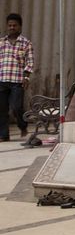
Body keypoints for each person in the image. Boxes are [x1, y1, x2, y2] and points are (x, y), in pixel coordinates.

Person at [0, 13, 33, 141]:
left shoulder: (26, 43)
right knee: (1, 109)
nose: (12, 27)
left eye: (15, 25)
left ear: (20, 27)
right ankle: (3, 135)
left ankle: (22, 125)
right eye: (10, 25)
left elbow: (30, 62)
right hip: (2, 80)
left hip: (17, 81)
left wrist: (26, 78)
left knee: (16, 106)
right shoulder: (1, 42)